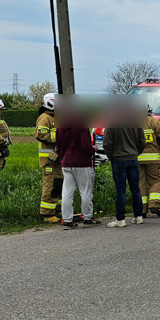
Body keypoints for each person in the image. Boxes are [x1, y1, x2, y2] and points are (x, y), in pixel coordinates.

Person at [56, 109, 99, 229]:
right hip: (81, 162)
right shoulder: (82, 125)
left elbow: (58, 145)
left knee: (67, 192)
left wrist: (62, 157)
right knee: (85, 190)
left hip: (66, 162)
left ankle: (67, 219)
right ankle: (87, 217)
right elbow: (85, 145)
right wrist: (93, 149)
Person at [103, 119, 146, 228]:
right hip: (133, 158)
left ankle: (120, 219)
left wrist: (111, 156)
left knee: (120, 190)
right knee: (136, 189)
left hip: (118, 160)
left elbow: (107, 143)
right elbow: (142, 142)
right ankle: (138, 216)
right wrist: (135, 152)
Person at [35, 93, 62, 223]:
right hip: (49, 160)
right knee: (50, 186)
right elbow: (41, 135)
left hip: (58, 159)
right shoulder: (45, 118)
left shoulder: (56, 117)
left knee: (59, 184)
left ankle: (58, 209)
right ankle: (47, 214)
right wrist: (61, 134)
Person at [138, 105, 160, 218]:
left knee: (140, 184)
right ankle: (155, 205)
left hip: (137, 160)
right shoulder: (154, 122)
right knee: (156, 181)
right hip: (153, 160)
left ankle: (142, 209)